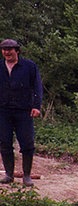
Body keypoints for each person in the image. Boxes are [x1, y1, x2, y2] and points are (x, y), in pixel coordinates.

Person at [0, 39, 43, 187]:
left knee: (27, 143)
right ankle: (9, 175)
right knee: (4, 142)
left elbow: (37, 87)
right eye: (4, 50)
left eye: (10, 49)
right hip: (3, 111)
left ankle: (26, 176)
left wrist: (37, 106)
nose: (7, 52)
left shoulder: (29, 66)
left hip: (24, 111)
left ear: (17, 50)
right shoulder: (0, 66)